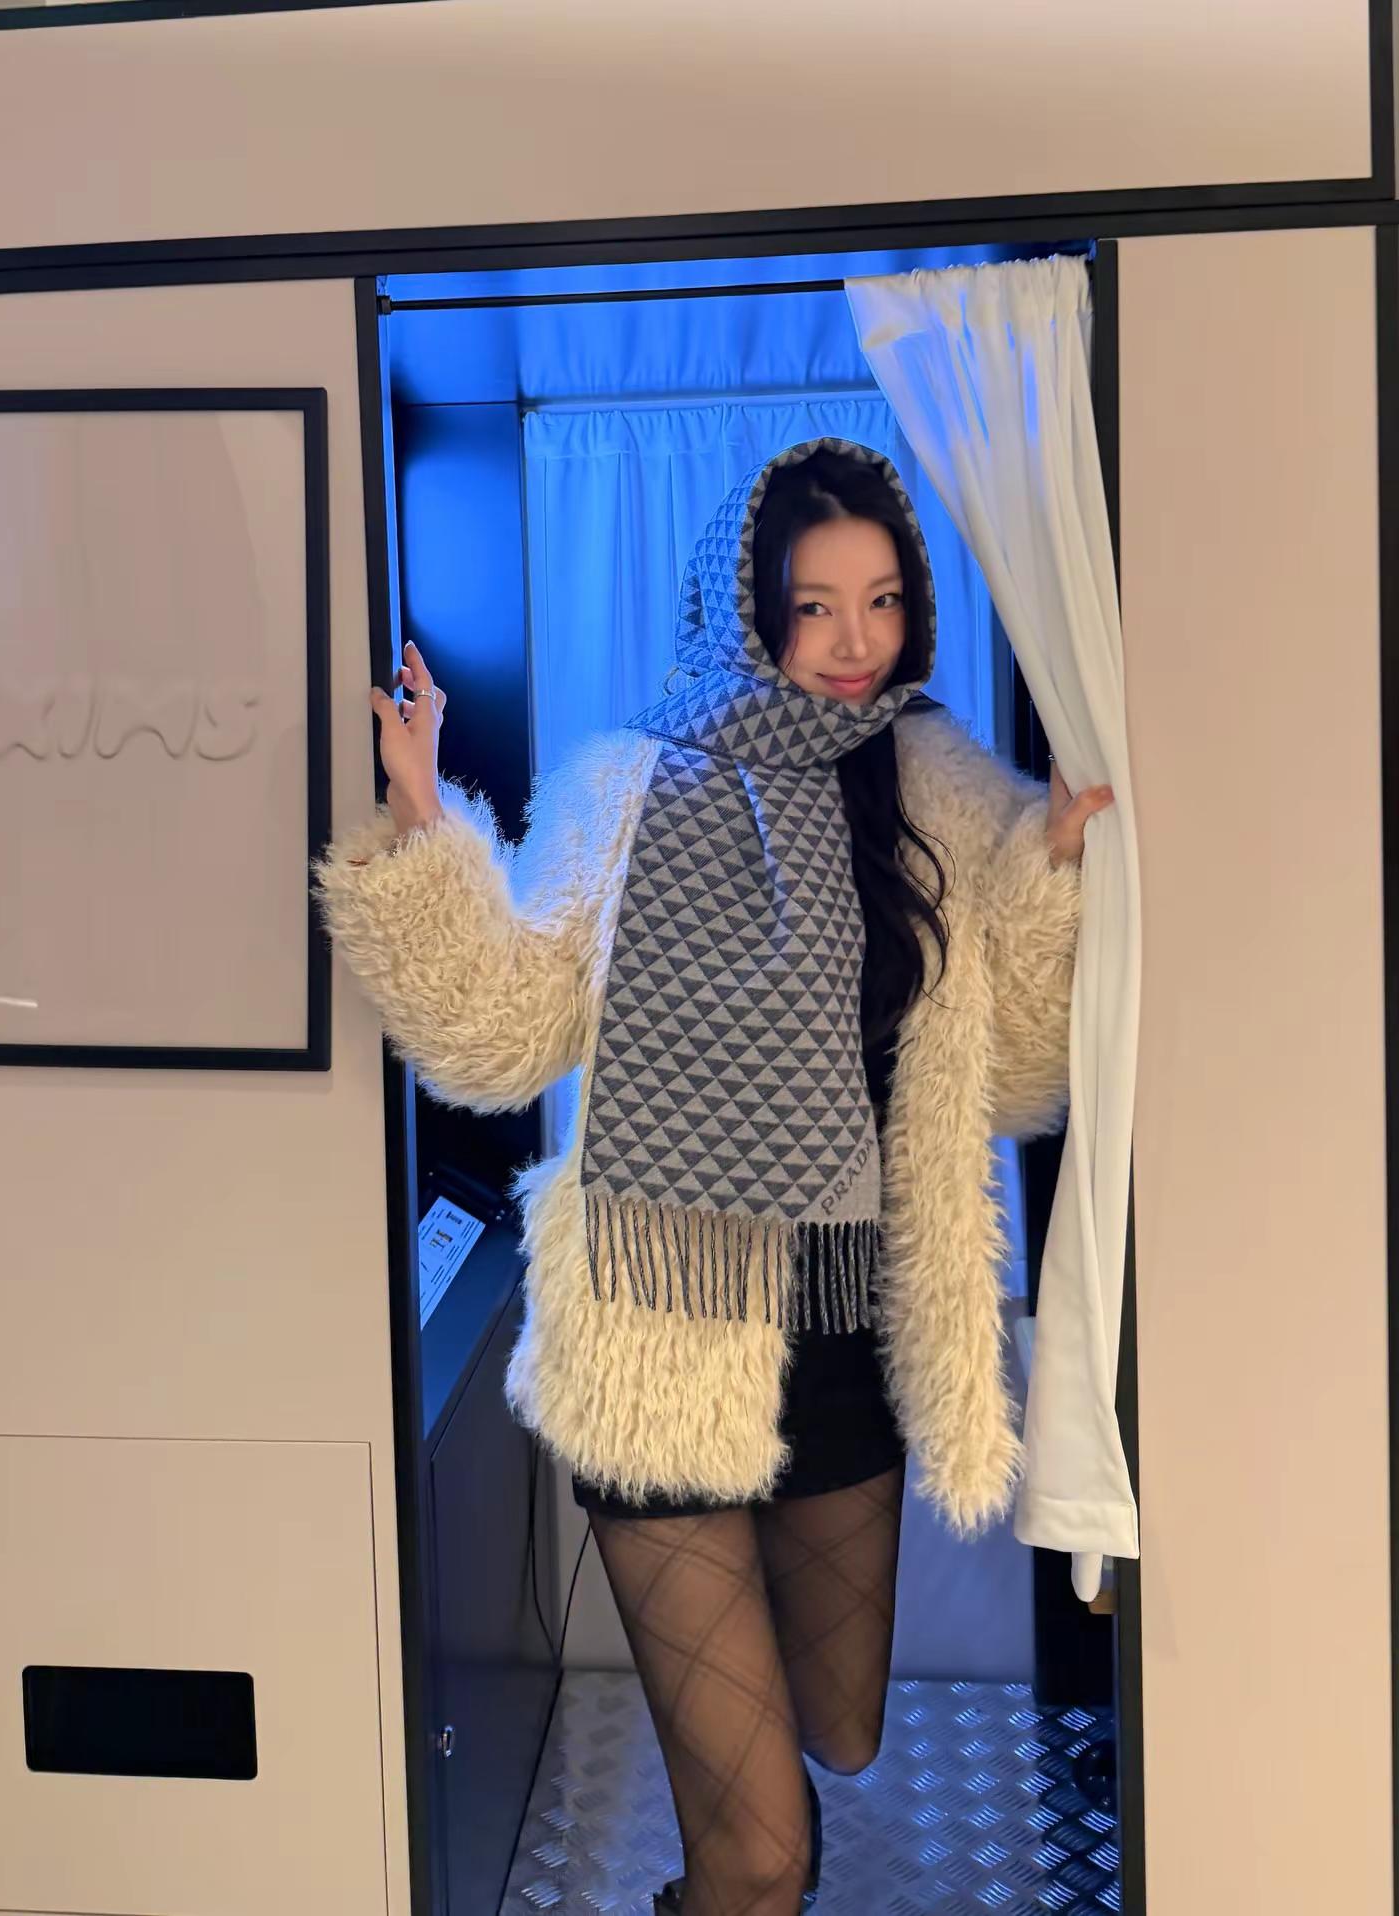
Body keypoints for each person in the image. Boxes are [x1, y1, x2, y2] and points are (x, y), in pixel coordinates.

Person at [318, 439, 1112, 1916]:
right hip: (660, 1349)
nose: (855, 642)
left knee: (843, 1731)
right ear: (747, 609)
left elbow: (1010, 1074)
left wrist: (1056, 871)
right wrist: (423, 815)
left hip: (846, 1348)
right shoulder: (630, 788)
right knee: (762, 1854)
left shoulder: (939, 788)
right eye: (816, 606)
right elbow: (502, 1029)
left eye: (882, 600)